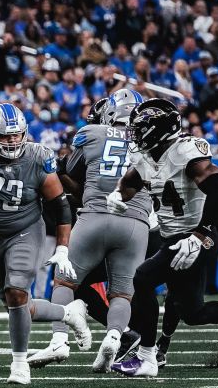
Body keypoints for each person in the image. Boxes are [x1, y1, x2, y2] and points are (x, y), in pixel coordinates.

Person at [106, 98, 218, 378]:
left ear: (158, 129)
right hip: (173, 237)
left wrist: (200, 233)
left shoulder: (184, 152)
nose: (136, 134)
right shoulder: (145, 157)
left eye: (141, 128)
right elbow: (130, 182)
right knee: (193, 313)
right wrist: (118, 196)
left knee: (142, 279)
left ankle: (147, 357)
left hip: (198, 234)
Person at [0, 103, 90, 385]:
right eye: (5, 136)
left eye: (17, 135)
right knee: (17, 306)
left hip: (27, 231)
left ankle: (19, 365)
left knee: (16, 293)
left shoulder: (37, 157)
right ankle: (69, 313)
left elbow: (60, 205)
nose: (12, 140)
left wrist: (62, 247)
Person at [31, 90, 150, 371]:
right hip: (136, 223)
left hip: (95, 215)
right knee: (122, 293)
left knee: (64, 281)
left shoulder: (93, 133)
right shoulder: (153, 141)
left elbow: (68, 173)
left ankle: (59, 341)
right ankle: (115, 335)